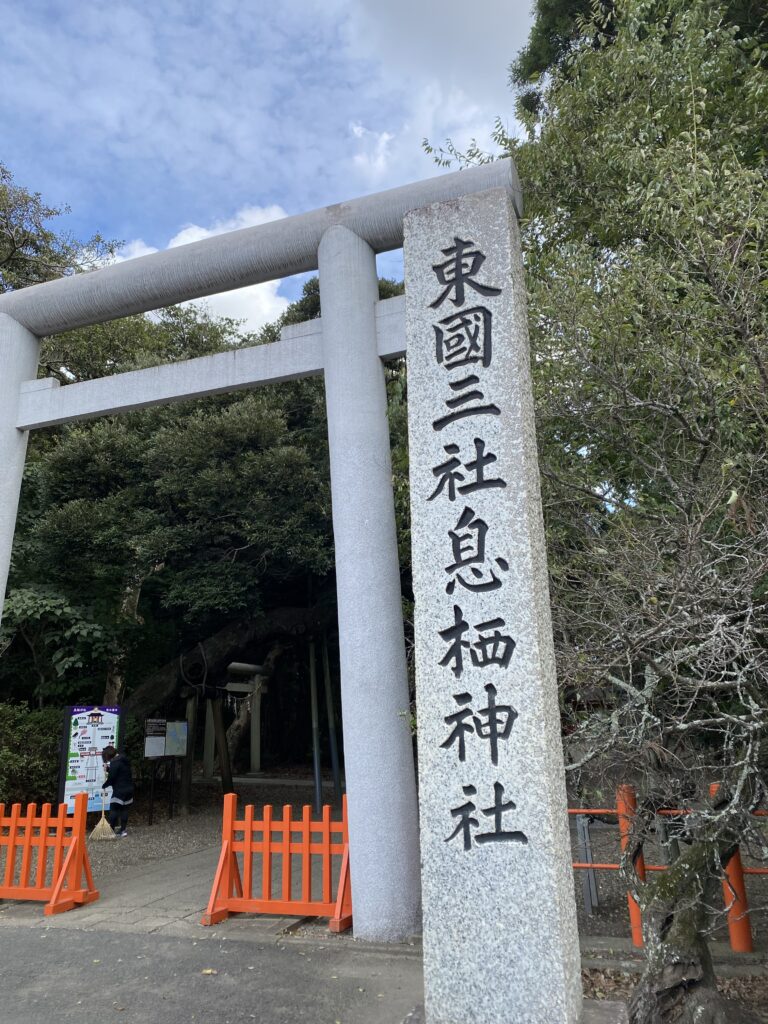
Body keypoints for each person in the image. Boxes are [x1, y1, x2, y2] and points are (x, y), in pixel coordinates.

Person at [101, 745, 134, 837]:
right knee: (125, 809)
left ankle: (111, 831)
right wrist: (108, 769)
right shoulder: (124, 759)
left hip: (120, 790)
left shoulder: (115, 762)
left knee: (114, 809)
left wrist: (104, 785)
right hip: (129, 789)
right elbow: (120, 772)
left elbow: (112, 777)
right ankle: (123, 831)